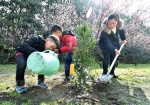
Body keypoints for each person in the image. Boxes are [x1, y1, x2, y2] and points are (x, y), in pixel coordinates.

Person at [15, 25, 62, 93]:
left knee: (43, 63)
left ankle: (41, 81)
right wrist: (37, 52)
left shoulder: (47, 50)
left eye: (53, 48)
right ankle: (20, 85)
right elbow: (25, 45)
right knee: (22, 63)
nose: (51, 49)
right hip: (22, 52)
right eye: (51, 46)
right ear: (47, 40)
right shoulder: (37, 39)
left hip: (33, 56)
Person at [98, 13, 127, 79]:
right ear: (107, 22)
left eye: (113, 23)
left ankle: (112, 73)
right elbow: (107, 43)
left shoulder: (119, 27)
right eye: (109, 24)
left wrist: (123, 39)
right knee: (107, 56)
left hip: (114, 44)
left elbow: (122, 33)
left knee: (113, 58)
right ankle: (105, 73)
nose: (111, 25)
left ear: (117, 22)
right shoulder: (104, 31)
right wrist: (115, 49)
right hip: (104, 45)